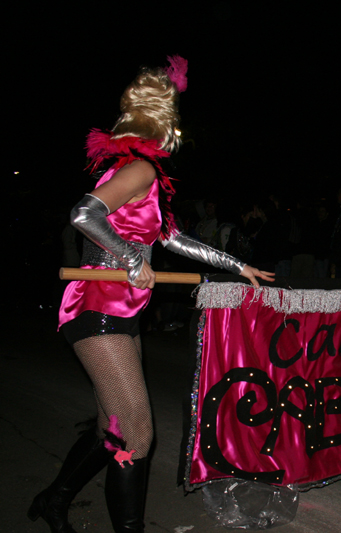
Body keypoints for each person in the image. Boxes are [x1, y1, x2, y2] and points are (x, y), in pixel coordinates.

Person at [28, 57, 273, 533]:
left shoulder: (146, 178)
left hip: (121, 315)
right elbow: (83, 214)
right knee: (137, 434)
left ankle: (54, 500)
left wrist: (236, 265)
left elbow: (173, 240)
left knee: (110, 431)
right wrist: (128, 258)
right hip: (96, 308)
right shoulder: (138, 169)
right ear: (165, 128)